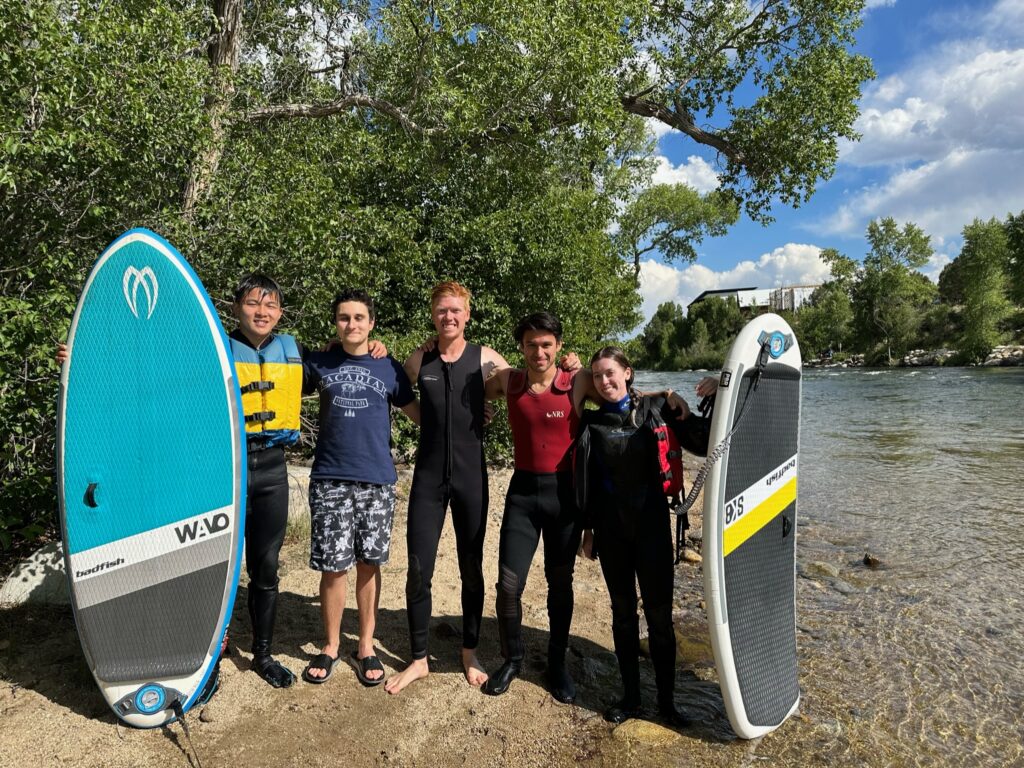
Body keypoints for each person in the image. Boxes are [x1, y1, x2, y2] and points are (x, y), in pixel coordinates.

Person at [573, 346, 713, 726]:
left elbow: (707, 439)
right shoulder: (590, 422)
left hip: (652, 529)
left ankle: (667, 705)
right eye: (597, 376)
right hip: (610, 532)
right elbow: (585, 480)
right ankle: (632, 698)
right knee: (622, 615)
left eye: (611, 373)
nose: (604, 381)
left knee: (660, 619)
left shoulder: (658, 412)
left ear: (628, 373)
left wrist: (716, 390)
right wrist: (588, 530)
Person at [384, 281, 510, 694]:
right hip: (428, 478)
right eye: (441, 311)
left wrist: (569, 368)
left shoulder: (487, 359)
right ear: (433, 314)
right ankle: (419, 658)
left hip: (471, 478)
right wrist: (376, 350)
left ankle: (469, 650)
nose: (448, 317)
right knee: (418, 569)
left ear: (468, 314)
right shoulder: (420, 359)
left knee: (471, 568)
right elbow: (398, 394)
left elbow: (527, 382)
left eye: (456, 310)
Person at [300, 289, 420, 685]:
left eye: (358, 318)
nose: (351, 324)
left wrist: (470, 411)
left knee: (369, 564)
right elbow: (278, 383)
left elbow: (419, 413)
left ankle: (365, 645)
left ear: (371, 323)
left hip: (377, 480)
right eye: (344, 318)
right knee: (334, 568)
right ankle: (332, 645)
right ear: (336, 323)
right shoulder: (318, 362)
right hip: (330, 478)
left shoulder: (390, 367)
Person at [472, 312, 582, 702]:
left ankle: (557, 663)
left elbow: (618, 387)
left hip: (563, 497)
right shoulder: (510, 380)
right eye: (531, 344)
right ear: (521, 347)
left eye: (547, 345)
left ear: (558, 347)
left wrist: (668, 397)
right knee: (508, 586)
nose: (539, 351)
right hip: (522, 494)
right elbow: (466, 388)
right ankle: (513, 658)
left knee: (560, 582)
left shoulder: (576, 382)